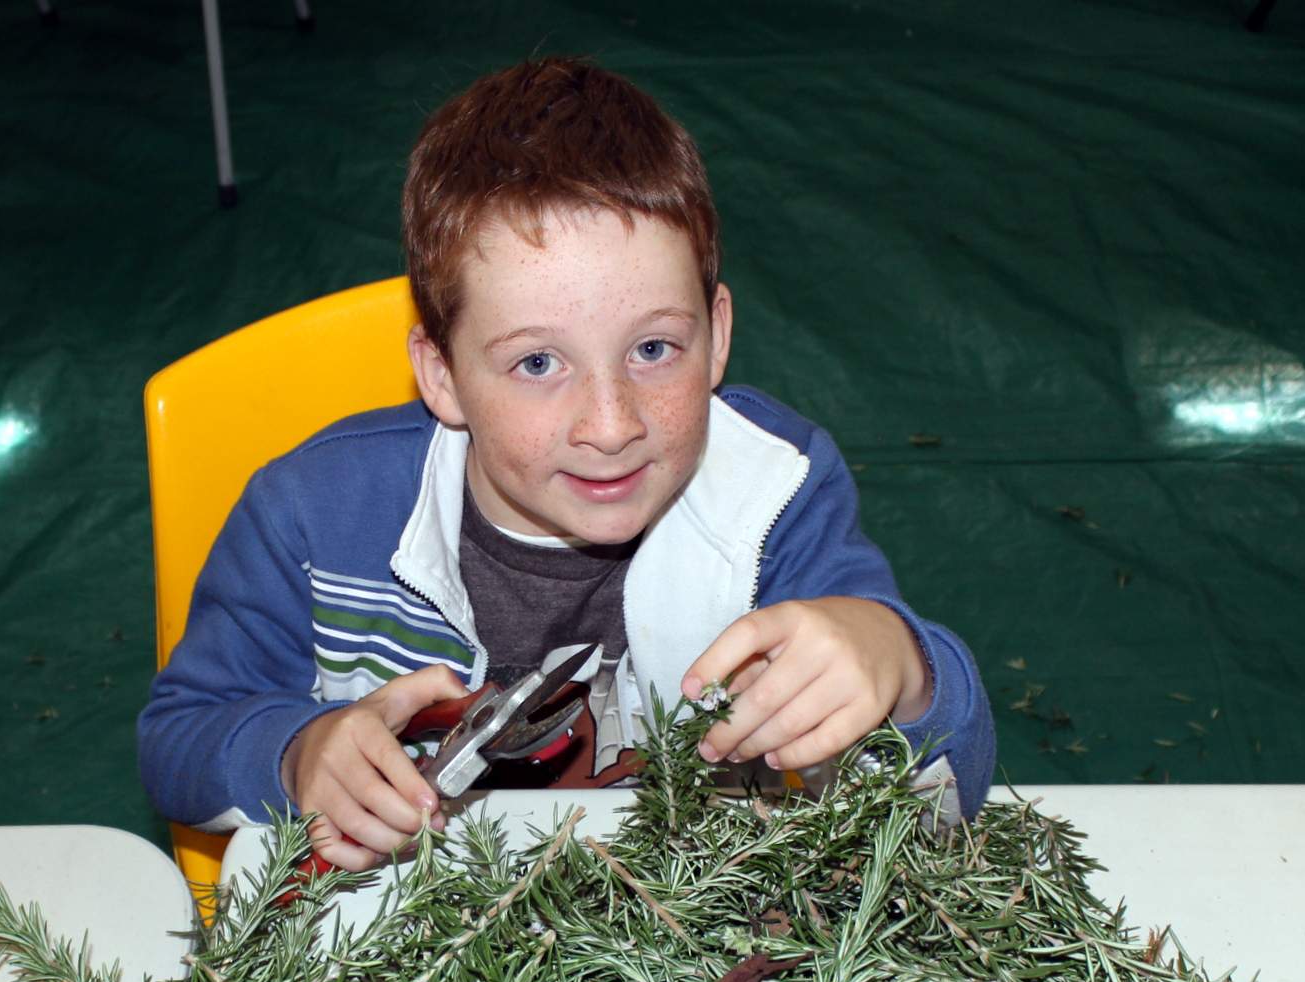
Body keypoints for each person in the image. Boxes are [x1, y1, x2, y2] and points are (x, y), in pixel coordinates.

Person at [138, 57, 995, 871]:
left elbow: (941, 809)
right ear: (442, 375)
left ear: (718, 334)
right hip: (403, 938)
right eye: (538, 363)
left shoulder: (775, 498)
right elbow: (178, 740)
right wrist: (296, 755)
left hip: (692, 936)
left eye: (654, 348)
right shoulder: (313, 516)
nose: (610, 426)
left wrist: (900, 667)